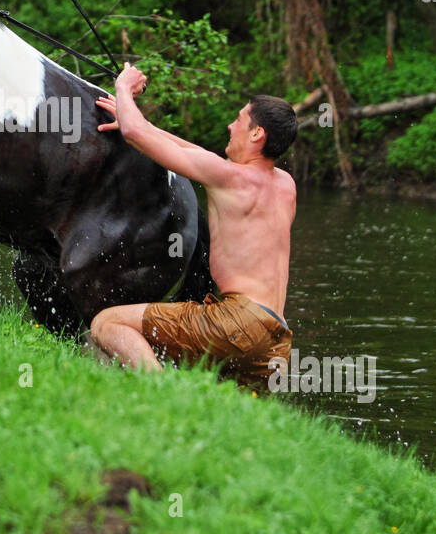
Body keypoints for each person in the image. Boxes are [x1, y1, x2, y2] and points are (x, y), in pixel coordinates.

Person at [89, 63, 297, 386]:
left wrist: (124, 88)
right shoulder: (286, 187)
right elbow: (196, 153)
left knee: (108, 323)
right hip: (277, 343)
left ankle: (163, 397)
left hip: (238, 323)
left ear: (257, 134)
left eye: (239, 120)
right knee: (228, 418)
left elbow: (133, 134)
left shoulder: (228, 178)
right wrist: (140, 122)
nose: (230, 126)